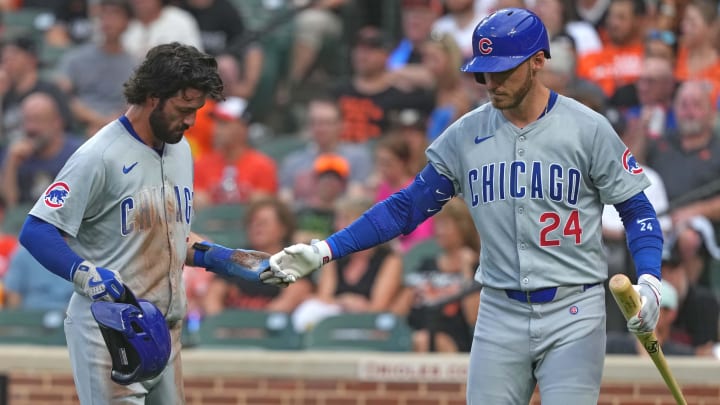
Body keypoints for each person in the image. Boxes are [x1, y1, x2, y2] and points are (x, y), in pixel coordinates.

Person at [265, 9, 664, 404]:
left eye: (503, 70)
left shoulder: (588, 128)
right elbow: (406, 208)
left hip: (574, 309)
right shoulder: (465, 133)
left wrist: (649, 281)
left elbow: (637, 210)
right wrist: (325, 250)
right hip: (498, 310)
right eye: (484, 71)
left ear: (538, 62)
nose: (491, 82)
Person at [17, 42, 276, 404]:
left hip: (165, 329)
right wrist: (85, 274)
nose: (191, 121)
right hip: (109, 331)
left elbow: (172, 236)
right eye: (184, 109)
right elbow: (36, 230)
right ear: (153, 96)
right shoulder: (99, 155)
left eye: (197, 111)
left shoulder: (180, 148)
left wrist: (225, 258)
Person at [202, 197, 312, 316]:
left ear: (283, 229)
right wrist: (223, 325)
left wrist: (253, 326)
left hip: (274, 330)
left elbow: (288, 301)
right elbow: (212, 298)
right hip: (231, 330)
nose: (256, 227)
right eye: (252, 223)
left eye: (263, 223)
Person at [54, 0, 137, 137]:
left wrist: (107, 125)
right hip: (79, 129)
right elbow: (64, 95)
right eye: (104, 15)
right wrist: (97, 121)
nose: (108, 21)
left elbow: (134, 105)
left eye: (115, 15)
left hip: (121, 130)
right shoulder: (76, 58)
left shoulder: (135, 64)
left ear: (127, 22)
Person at [0, 92, 83, 208]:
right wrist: (11, 164)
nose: (30, 128)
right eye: (27, 120)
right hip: (24, 221)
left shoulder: (78, 154)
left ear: (56, 123)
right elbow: (10, 206)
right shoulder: (14, 153)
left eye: (38, 120)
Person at [193, 96, 278, 208]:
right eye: (216, 123)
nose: (216, 129)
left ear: (243, 128)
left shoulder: (263, 166)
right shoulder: (202, 164)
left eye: (223, 123)